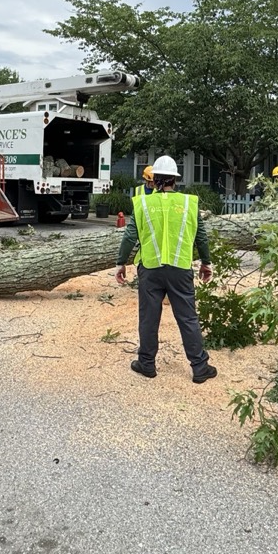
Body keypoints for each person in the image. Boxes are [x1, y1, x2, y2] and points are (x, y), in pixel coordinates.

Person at [115, 155, 217, 384]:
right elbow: (201, 236)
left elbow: (130, 235)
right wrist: (206, 262)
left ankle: (147, 364)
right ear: (175, 180)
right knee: (188, 318)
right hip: (180, 268)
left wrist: (120, 263)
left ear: (154, 180)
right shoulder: (190, 202)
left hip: (150, 269)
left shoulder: (143, 203)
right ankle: (200, 367)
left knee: (149, 317)